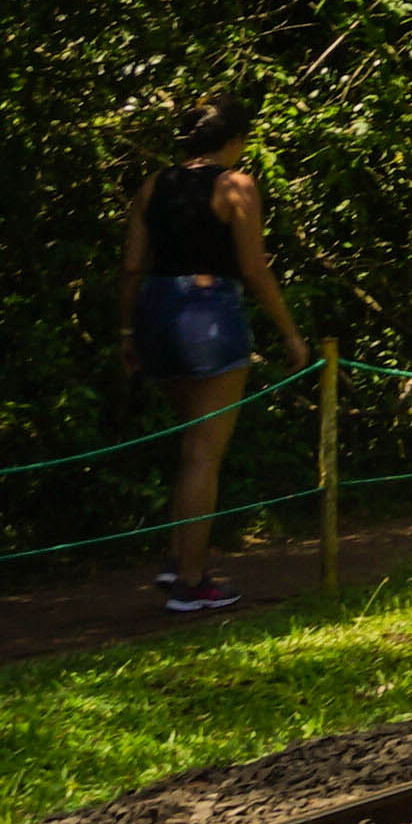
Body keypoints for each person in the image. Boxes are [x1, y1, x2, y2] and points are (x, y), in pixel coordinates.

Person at [114, 95, 300, 616]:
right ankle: (192, 584)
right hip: (208, 312)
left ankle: (178, 559)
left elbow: (131, 265)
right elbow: (254, 266)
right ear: (235, 140)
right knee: (204, 453)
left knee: (191, 445)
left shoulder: (155, 184)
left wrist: (127, 330)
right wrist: (290, 334)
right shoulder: (235, 184)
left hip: (155, 309)